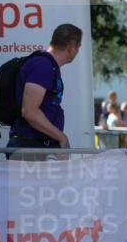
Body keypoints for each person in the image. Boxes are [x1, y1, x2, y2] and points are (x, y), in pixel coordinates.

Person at [7, 23, 82, 152]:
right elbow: (29, 111)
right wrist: (62, 138)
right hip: (29, 147)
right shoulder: (43, 66)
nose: (78, 51)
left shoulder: (49, 66)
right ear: (71, 47)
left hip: (37, 147)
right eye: (78, 47)